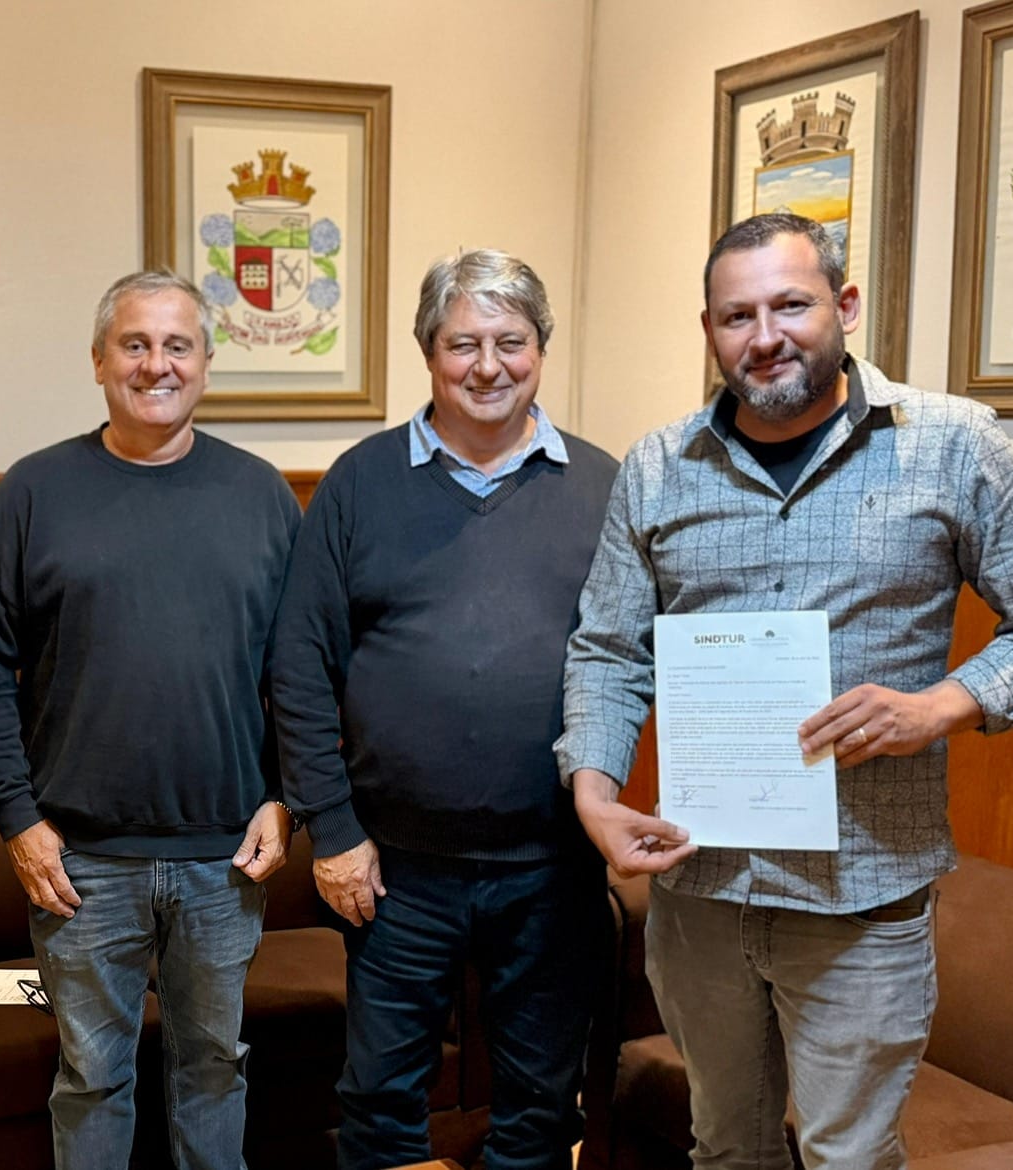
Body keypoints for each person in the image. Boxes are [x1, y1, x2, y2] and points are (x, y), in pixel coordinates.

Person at [558, 212, 1013, 1169]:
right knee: (725, 1149)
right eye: (738, 316)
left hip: (864, 894)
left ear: (844, 306)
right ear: (710, 329)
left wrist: (942, 706)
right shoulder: (658, 466)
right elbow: (608, 651)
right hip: (703, 889)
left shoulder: (952, 443)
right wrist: (593, 794)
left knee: (849, 1158)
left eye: (791, 305)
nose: (765, 336)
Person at [272, 249, 619, 1170]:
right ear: (428, 351)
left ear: (541, 348)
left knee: (540, 1108)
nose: (488, 365)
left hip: (555, 865)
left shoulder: (604, 486)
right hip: (393, 870)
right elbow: (299, 666)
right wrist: (333, 831)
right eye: (464, 343)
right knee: (380, 1105)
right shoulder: (359, 483)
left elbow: (635, 658)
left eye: (512, 341)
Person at [0, 270, 302, 1169]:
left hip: (226, 857)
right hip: (78, 861)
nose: (157, 364)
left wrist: (287, 800)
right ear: (98, 360)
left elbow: (300, 673)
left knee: (215, 1067)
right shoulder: (32, 494)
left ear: (206, 363)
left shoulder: (263, 497)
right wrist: (17, 821)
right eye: (135, 344)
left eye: (177, 346)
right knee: (90, 1078)